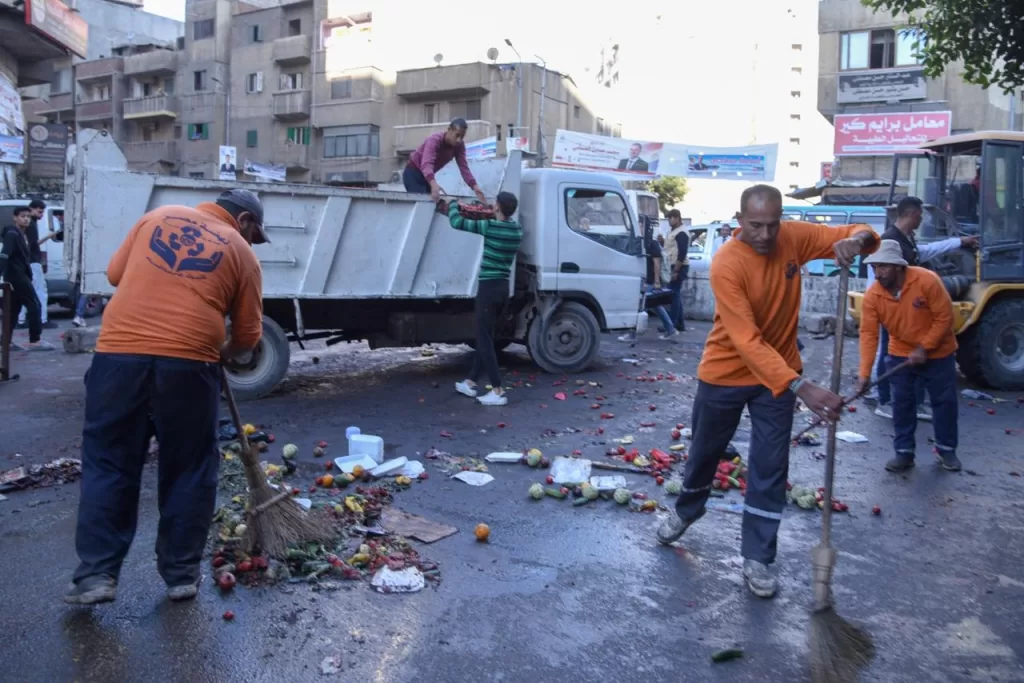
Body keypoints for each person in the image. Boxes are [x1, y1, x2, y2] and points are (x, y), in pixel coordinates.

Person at [656, 184, 877, 598]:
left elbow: (862, 232)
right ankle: (687, 511)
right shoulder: (727, 263)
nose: (765, 235)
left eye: (772, 225)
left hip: (775, 380)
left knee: (770, 468)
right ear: (739, 222)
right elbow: (747, 340)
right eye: (755, 226)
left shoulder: (792, 236)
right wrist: (802, 386)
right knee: (704, 454)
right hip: (725, 372)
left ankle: (757, 557)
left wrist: (855, 241)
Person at [64, 189, 268, 606]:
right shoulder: (242, 254)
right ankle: (180, 575)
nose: (251, 242)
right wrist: (221, 354)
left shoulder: (157, 217)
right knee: (190, 467)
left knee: (109, 463)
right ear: (244, 220)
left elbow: (115, 274)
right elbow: (248, 337)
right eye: (254, 234)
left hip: (117, 360)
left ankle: (96, 576)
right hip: (189, 368)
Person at [855, 240, 960, 473]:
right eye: (874, 268)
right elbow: (868, 334)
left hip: (939, 352)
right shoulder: (874, 296)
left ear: (899, 266)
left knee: (943, 401)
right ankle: (904, 453)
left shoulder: (927, 280)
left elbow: (945, 318)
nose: (878, 273)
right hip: (901, 352)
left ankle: (946, 450)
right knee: (902, 403)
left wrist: (925, 348)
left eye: (883, 267)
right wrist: (863, 374)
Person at [868, 196, 978, 420]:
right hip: (894, 306)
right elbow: (880, 278)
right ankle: (885, 400)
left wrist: (958, 242)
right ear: (910, 214)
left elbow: (925, 252)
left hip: (908, 305)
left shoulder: (907, 239)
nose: (920, 220)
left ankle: (908, 402)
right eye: (919, 215)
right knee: (889, 351)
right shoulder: (891, 240)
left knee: (904, 352)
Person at [449, 191, 523, 406]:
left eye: (494, 203)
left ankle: (498, 390)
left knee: (483, 339)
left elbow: (456, 222)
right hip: (502, 289)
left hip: (488, 288)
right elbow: (494, 220)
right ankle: (470, 382)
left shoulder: (490, 227)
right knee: (487, 337)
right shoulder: (516, 230)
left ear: (498, 206)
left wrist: (454, 204)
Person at [2, 207, 54, 351]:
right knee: (34, 305)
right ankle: (35, 340)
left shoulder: (22, 235)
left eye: (28, 217)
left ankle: (5, 341)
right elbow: (4, 254)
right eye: (22, 216)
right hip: (17, 276)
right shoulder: (12, 233)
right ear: (15, 218)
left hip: (19, 275)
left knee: (13, 310)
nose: (26, 219)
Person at [405, 118, 487, 203]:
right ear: (449, 130)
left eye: (462, 137)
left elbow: (464, 168)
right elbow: (426, 164)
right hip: (413, 173)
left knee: (435, 202)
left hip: (426, 177)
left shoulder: (459, 146)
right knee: (425, 203)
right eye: (457, 135)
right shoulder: (434, 140)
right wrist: (433, 184)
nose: (459, 140)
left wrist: (476, 188)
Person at [618, 226, 678, 342]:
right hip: (644, 279)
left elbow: (657, 264)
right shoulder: (642, 242)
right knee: (655, 305)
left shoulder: (652, 243)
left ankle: (632, 333)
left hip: (649, 280)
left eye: (640, 225)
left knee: (640, 306)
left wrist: (656, 282)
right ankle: (670, 329)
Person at [18, 199, 55, 329]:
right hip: (33, 262)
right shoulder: (32, 225)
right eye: (39, 212)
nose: (41, 215)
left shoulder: (23, 225)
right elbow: (34, 245)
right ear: (32, 209)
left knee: (25, 291)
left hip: (25, 262)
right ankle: (42, 319)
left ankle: (21, 320)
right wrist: (50, 236)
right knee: (40, 291)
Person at [661, 209, 689, 331]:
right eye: (668, 218)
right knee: (675, 294)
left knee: (673, 295)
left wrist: (676, 271)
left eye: (671, 218)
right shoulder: (673, 231)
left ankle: (671, 324)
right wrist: (662, 241)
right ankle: (679, 324)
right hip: (672, 264)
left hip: (679, 266)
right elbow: (670, 247)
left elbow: (682, 254)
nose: (669, 220)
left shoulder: (682, 232)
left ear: (677, 218)